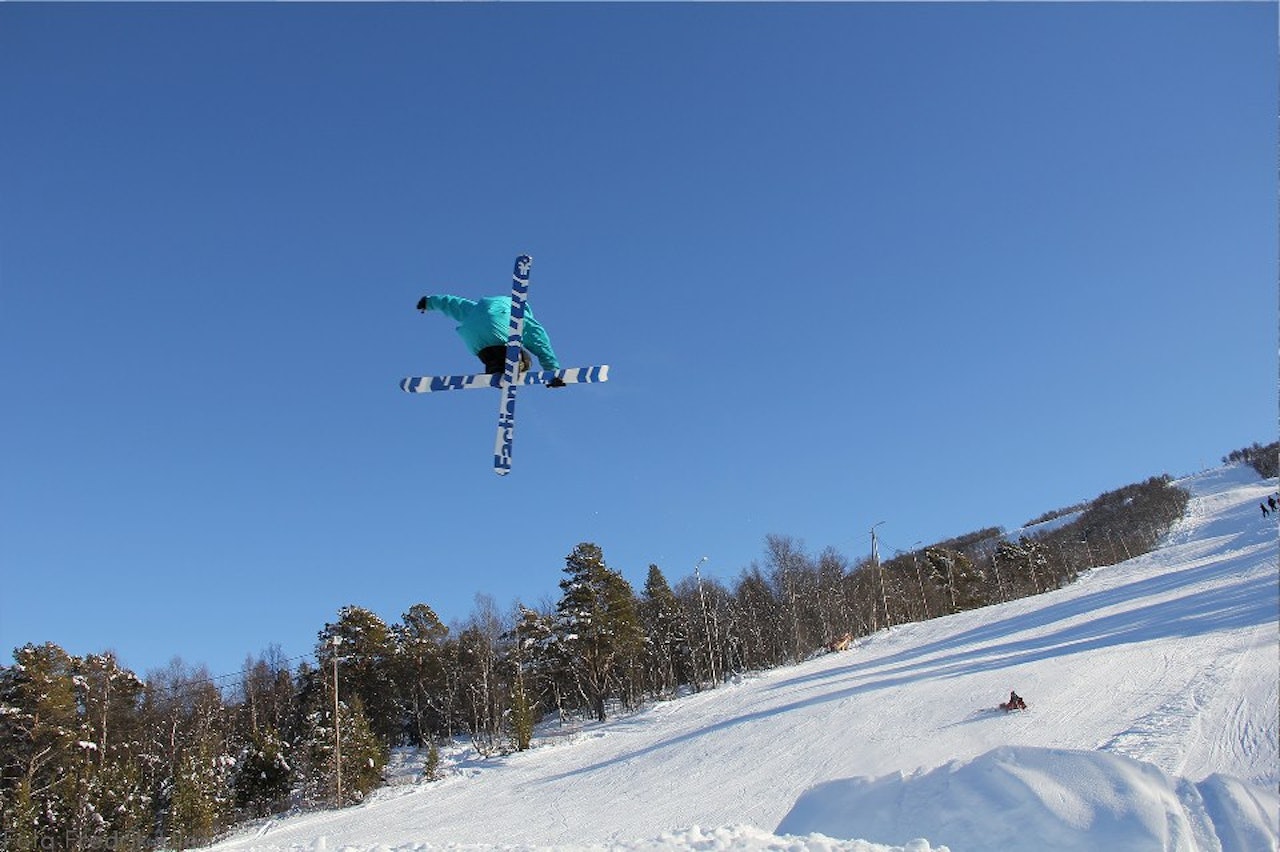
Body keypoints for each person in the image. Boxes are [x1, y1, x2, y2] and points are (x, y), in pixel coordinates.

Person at [417, 294, 564, 385]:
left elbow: (450, 303)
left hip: (475, 342)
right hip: (499, 336)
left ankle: (495, 369)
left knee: (494, 356)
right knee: (526, 359)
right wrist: (552, 372)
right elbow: (540, 343)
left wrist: (428, 302)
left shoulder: (475, 308)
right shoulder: (520, 315)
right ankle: (516, 365)